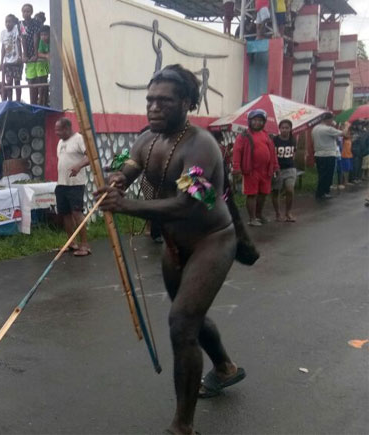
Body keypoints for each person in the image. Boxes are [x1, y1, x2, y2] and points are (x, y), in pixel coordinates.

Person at [95, 65, 245, 435]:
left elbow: (188, 205)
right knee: (189, 318)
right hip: (175, 244)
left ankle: (182, 426)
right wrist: (116, 181)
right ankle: (225, 368)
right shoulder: (148, 140)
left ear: (187, 103)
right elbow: (129, 168)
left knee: (181, 324)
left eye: (164, 101)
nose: (154, 108)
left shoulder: (201, 146)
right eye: (150, 100)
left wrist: (126, 206)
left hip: (212, 239)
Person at [232, 109, 279, 226]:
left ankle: (259, 215)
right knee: (251, 194)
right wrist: (236, 168)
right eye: (254, 120)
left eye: (260, 120)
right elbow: (237, 152)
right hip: (251, 171)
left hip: (266, 171)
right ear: (249, 121)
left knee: (264, 193)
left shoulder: (266, 135)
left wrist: (276, 167)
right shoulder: (243, 136)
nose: (257, 123)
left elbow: (272, 152)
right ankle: (252, 219)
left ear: (264, 122)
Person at [54, 117, 91, 257]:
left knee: (77, 214)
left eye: (58, 130)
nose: (56, 133)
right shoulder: (60, 142)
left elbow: (90, 157)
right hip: (61, 183)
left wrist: (78, 166)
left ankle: (85, 245)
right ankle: (71, 242)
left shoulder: (79, 139)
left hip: (75, 185)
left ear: (67, 128)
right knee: (65, 214)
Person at [311, 112, 348, 199]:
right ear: (328, 120)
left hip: (318, 154)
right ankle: (324, 192)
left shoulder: (315, 128)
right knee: (328, 174)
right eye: (332, 119)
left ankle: (320, 191)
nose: (333, 121)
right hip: (328, 154)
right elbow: (343, 133)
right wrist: (347, 125)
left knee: (321, 174)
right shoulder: (328, 129)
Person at [271, 120, 298, 222]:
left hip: (290, 168)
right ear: (279, 128)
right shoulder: (275, 140)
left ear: (290, 129)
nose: (285, 130)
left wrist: (291, 161)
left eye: (287, 128)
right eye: (283, 127)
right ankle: (277, 213)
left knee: (290, 190)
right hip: (277, 169)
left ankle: (288, 212)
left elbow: (294, 153)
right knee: (275, 192)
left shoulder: (293, 139)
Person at [19, 3, 41, 105]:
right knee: (31, 80)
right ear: (22, 13)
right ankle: (32, 103)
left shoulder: (35, 22)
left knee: (38, 80)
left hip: (36, 51)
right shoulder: (21, 24)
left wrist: (35, 54)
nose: (26, 13)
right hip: (28, 55)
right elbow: (23, 38)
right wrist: (25, 55)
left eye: (28, 11)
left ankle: (38, 102)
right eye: (24, 11)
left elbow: (36, 37)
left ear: (31, 12)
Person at [0, 14, 23, 102]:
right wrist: (1, 62)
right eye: (6, 21)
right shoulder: (3, 33)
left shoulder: (16, 30)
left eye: (10, 21)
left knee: (17, 82)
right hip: (8, 62)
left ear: (14, 23)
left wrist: (20, 56)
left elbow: (18, 43)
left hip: (16, 61)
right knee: (9, 82)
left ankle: (18, 100)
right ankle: (10, 100)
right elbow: (2, 48)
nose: (8, 23)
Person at [34, 25, 51, 107]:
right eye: (42, 35)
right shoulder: (40, 42)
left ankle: (46, 102)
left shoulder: (52, 42)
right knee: (42, 85)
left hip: (49, 65)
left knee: (47, 85)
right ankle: (40, 103)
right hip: (41, 65)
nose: (43, 37)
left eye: (45, 35)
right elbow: (38, 53)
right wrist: (46, 56)